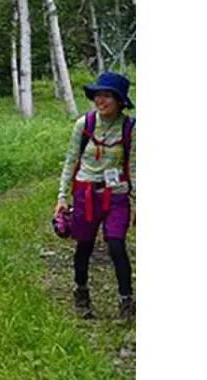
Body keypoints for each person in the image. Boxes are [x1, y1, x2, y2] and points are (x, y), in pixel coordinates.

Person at [54, 71, 136, 320]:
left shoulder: (131, 128)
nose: (101, 101)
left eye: (107, 96)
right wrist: (61, 197)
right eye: (97, 95)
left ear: (119, 100)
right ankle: (81, 292)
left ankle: (126, 300)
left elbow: (135, 167)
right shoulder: (85, 124)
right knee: (85, 245)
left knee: (116, 245)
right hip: (86, 193)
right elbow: (71, 161)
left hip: (117, 194)